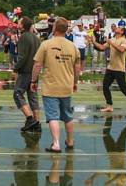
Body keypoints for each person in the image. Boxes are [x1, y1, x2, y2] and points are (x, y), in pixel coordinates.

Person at [31, 17, 81, 153]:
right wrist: (75, 82)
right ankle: (70, 141)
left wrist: (33, 81)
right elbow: (77, 68)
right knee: (68, 116)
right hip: (66, 86)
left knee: (53, 116)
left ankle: (56, 144)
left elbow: (37, 65)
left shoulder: (46, 44)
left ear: (54, 29)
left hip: (50, 87)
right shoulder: (73, 46)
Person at [92, 23, 126, 113]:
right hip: (110, 67)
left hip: (119, 68)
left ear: (122, 32)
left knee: (123, 88)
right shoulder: (112, 39)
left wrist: (111, 43)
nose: (117, 27)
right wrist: (93, 41)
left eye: (119, 28)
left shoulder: (123, 40)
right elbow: (101, 47)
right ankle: (109, 106)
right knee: (105, 86)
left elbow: (121, 50)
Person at [13, 17, 41, 132]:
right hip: (35, 72)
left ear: (23, 26)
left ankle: (30, 119)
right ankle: (37, 123)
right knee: (33, 96)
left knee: (17, 94)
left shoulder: (24, 37)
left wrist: (15, 68)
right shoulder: (36, 38)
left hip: (25, 72)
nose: (17, 24)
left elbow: (22, 57)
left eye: (19, 23)